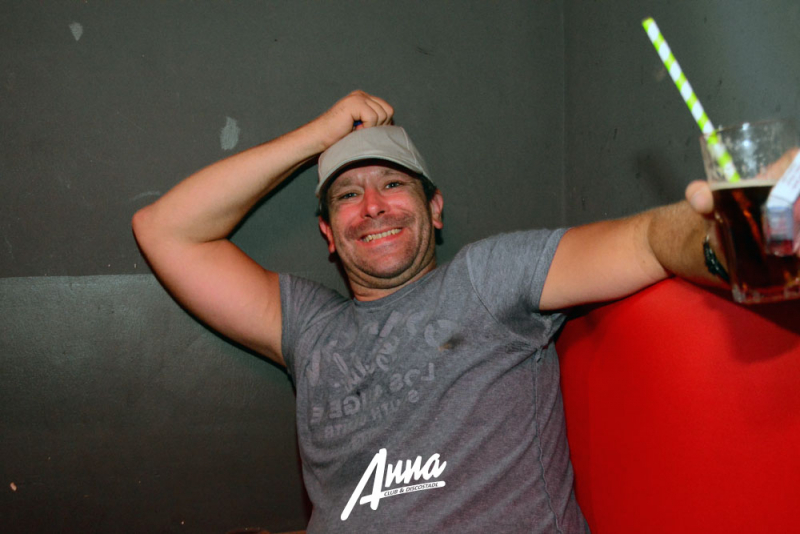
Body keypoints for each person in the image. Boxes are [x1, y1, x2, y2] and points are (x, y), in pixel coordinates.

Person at [132, 91, 730, 533]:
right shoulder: (309, 328)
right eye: (347, 195)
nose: (372, 206)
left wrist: (732, 234)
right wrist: (317, 136)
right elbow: (164, 230)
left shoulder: (485, 278)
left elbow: (646, 241)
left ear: (435, 208)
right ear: (329, 234)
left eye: (393, 184)